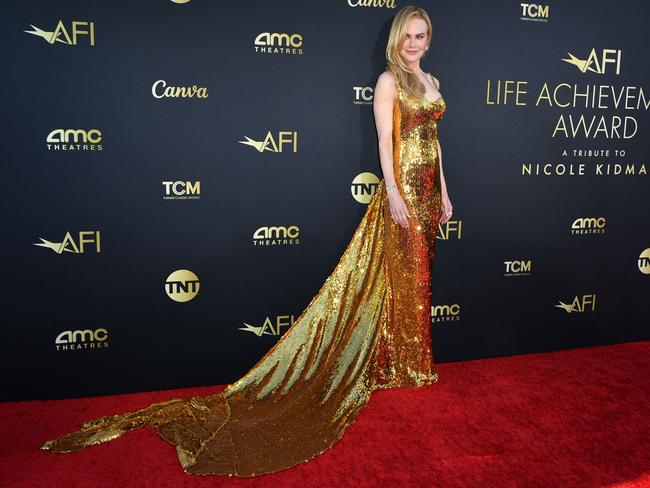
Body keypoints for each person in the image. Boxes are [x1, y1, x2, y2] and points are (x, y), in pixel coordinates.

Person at [40, 5, 453, 477]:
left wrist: (444, 190)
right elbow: (386, 143)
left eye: (421, 36)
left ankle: (410, 360)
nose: (414, 43)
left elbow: (437, 142)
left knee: (419, 278)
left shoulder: (432, 81)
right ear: (397, 39)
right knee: (395, 275)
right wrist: (394, 193)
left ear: (428, 38)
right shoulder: (388, 81)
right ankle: (391, 363)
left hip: (428, 193)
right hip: (401, 192)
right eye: (408, 36)